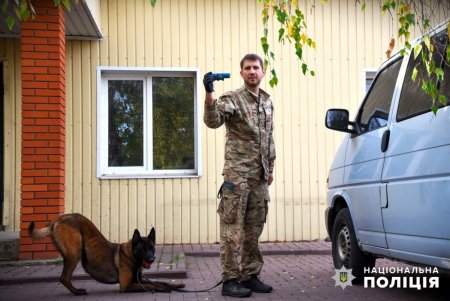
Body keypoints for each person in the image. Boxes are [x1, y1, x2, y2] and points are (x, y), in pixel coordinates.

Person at [203, 53, 276, 298]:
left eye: (256, 67)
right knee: (231, 231)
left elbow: (268, 138)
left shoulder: (267, 102)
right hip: (238, 177)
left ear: (263, 72)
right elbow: (213, 121)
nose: (252, 71)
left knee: (253, 231)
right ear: (242, 73)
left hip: (260, 178)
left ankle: (250, 276)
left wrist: (271, 168)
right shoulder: (232, 99)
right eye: (247, 68)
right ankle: (230, 280)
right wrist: (210, 94)